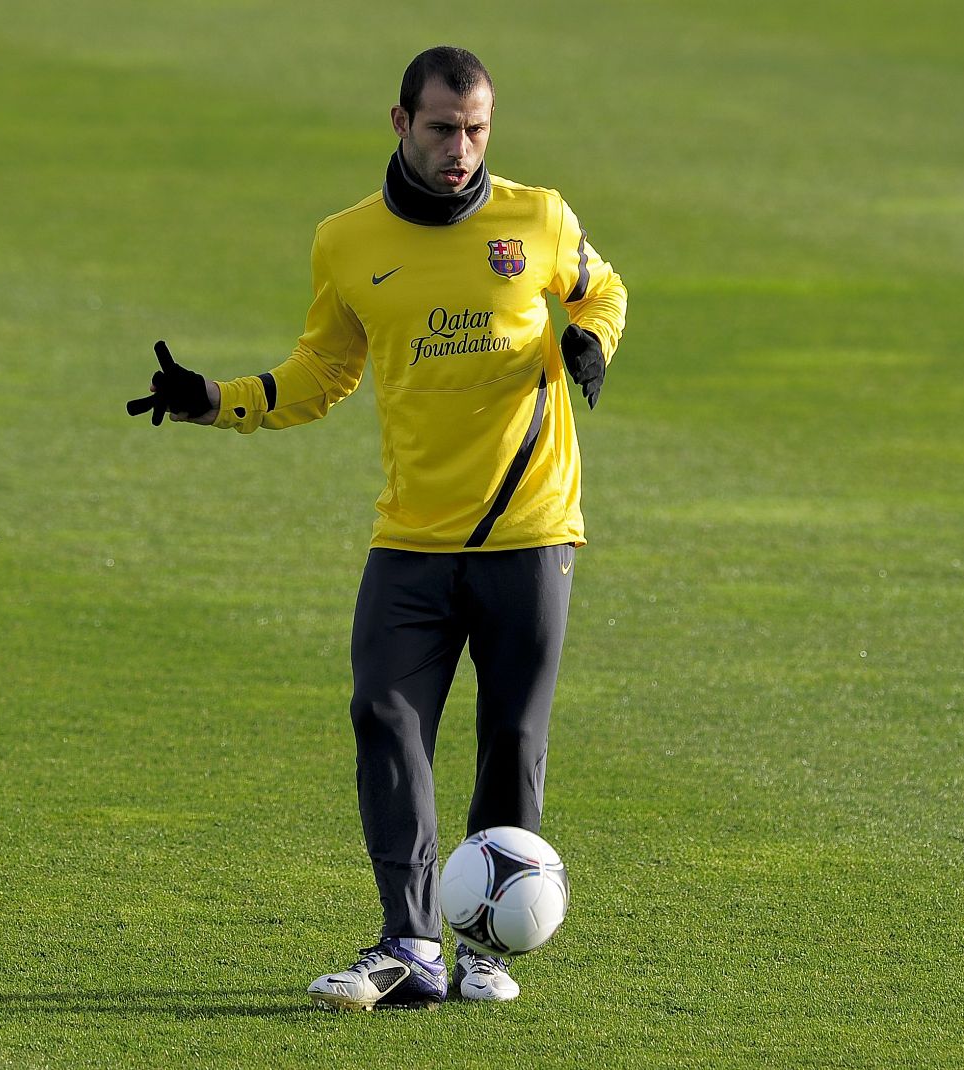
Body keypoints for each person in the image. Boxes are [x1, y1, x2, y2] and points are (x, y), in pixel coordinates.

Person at [129, 45, 627, 1011]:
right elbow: (322, 373)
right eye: (443, 127)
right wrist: (213, 400)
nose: (462, 148)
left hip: (530, 529)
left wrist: (589, 340)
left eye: (478, 128)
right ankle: (412, 945)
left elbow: (603, 289)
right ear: (400, 123)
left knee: (511, 739)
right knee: (382, 715)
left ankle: (488, 949)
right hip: (410, 538)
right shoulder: (347, 243)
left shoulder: (540, 217)